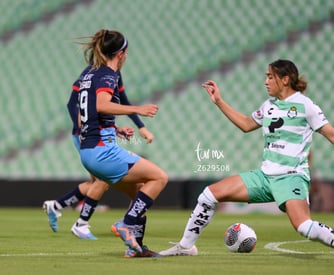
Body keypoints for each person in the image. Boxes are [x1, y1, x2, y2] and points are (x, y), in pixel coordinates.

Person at [159, 59, 334, 256]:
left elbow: (331, 134)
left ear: (285, 80)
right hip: (264, 176)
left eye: (270, 77)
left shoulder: (305, 106)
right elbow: (246, 124)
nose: (266, 82)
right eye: (266, 77)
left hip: (291, 177)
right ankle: (185, 247)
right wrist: (219, 102)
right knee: (208, 195)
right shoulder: (269, 105)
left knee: (304, 227)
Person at [57, 29, 168, 257]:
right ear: (121, 53)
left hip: (89, 151)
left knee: (138, 192)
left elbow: (83, 113)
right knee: (159, 177)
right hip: (102, 153)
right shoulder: (108, 75)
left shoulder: (89, 75)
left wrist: (115, 129)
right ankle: (126, 223)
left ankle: (135, 248)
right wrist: (138, 110)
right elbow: (101, 105)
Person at [43, 68, 154, 241]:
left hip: (98, 134)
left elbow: (122, 100)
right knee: (102, 180)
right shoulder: (93, 73)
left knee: (99, 181)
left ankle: (57, 206)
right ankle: (81, 223)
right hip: (89, 135)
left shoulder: (112, 73)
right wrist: (83, 129)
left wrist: (139, 127)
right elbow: (72, 104)